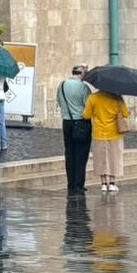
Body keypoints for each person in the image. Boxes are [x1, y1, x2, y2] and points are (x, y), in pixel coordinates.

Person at [83, 86, 129, 194]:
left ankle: (103, 184)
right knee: (114, 158)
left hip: (99, 133)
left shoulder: (93, 98)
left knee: (100, 159)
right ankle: (112, 183)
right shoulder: (117, 97)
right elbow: (125, 113)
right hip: (114, 133)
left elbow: (86, 115)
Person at [57, 65, 91, 194]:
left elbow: (59, 101)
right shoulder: (83, 87)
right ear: (81, 74)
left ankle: (70, 183)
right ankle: (78, 184)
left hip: (66, 122)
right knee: (81, 154)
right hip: (81, 122)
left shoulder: (62, 85)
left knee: (69, 153)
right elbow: (88, 106)